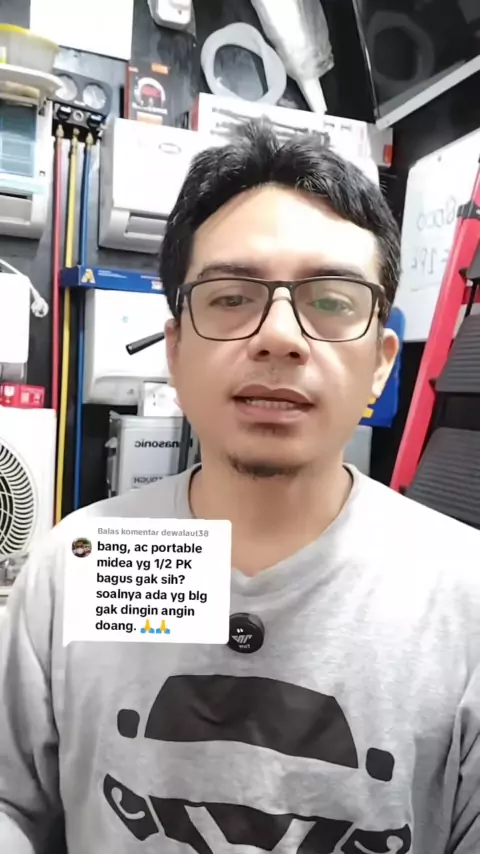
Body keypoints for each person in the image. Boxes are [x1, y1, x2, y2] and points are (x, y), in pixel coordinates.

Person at [1, 120, 479, 854]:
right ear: (176, 350)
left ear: (382, 363)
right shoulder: (81, 565)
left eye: (331, 300)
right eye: (230, 297)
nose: (279, 337)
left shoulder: (465, 598)